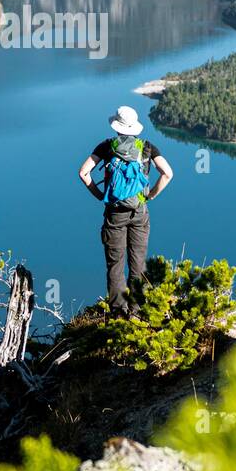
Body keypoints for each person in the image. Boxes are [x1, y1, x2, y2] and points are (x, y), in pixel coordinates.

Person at [78, 105, 173, 314]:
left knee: (115, 265)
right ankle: (137, 311)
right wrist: (150, 196)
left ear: (116, 126)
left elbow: (83, 173)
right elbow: (167, 173)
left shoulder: (106, 146)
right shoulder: (147, 147)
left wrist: (100, 196)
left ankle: (118, 313)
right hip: (139, 212)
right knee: (138, 263)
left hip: (114, 214)